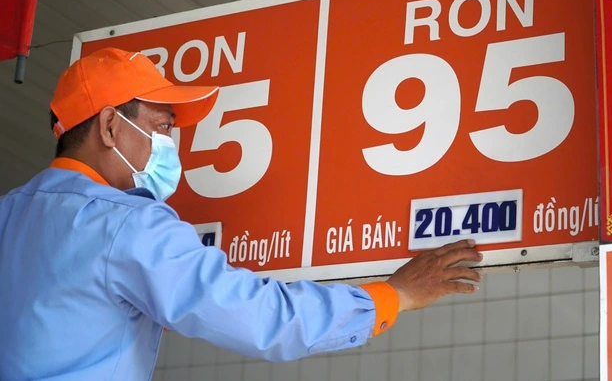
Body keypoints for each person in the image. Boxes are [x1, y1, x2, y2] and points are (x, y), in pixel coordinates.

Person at [0, 48, 482, 380]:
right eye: (162, 127)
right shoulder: (127, 225)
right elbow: (261, 318)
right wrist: (393, 296)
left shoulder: (7, 214)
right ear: (109, 126)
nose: (168, 144)